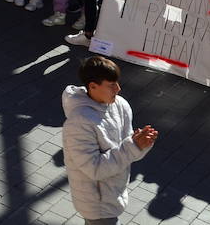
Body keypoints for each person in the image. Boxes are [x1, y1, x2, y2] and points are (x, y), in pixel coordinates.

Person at [62, 55, 157, 225]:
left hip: (113, 193)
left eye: (117, 83)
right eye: (111, 85)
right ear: (92, 86)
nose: (118, 89)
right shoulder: (79, 122)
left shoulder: (121, 105)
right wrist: (133, 146)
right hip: (96, 204)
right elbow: (94, 169)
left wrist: (141, 144)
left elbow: (128, 151)